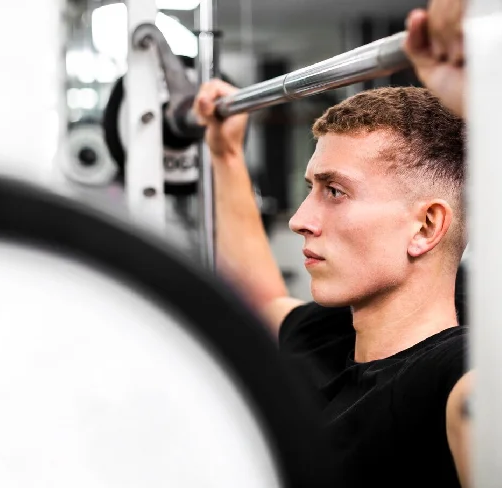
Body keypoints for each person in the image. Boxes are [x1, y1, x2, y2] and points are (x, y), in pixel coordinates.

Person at [192, 1, 471, 486]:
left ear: (425, 227)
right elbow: (259, 302)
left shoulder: (458, 380)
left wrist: (481, 91)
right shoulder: (331, 335)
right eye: (311, 190)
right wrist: (226, 154)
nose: (301, 220)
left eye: (335, 192)